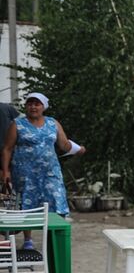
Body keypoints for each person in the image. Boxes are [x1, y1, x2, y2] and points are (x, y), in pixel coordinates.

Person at [2, 93, 83, 248]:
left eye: (37, 104)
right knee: (27, 203)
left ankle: (54, 235)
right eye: (30, 104)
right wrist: (6, 171)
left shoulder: (53, 123)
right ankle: (28, 240)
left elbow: (64, 144)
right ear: (26, 107)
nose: (33, 107)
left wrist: (78, 149)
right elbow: (7, 149)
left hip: (50, 173)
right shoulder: (17, 124)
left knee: (56, 199)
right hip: (25, 173)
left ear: (43, 107)